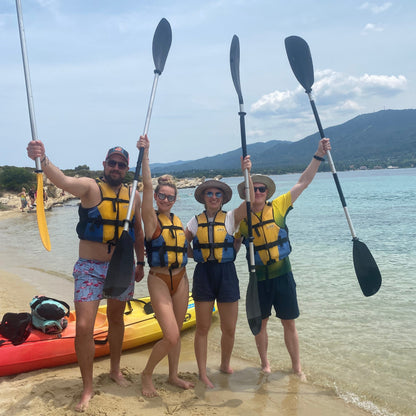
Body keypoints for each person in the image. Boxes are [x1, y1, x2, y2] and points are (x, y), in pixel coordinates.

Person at [27, 140, 145, 412]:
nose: (116, 167)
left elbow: (138, 232)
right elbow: (63, 180)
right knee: (83, 327)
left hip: (122, 265)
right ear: (104, 165)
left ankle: (115, 370)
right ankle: (88, 387)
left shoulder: (133, 195)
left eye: (121, 164)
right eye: (112, 162)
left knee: (116, 318)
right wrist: (43, 159)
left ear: (127, 168)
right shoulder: (90, 187)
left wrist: (141, 263)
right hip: (90, 267)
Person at [235, 138, 331, 379]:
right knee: (262, 324)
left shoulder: (278, 206)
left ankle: (296, 367)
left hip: (283, 275)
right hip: (259, 280)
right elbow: (232, 246)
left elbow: (304, 181)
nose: (257, 192)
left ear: (267, 193)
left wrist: (318, 154)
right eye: (253, 189)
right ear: (247, 192)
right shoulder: (241, 220)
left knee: (289, 323)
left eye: (261, 189)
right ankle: (265, 364)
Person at [185, 156, 253, 388]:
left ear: (223, 198)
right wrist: (195, 255)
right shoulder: (194, 223)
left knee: (229, 327)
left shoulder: (232, 218)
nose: (213, 197)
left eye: (218, 194)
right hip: (204, 275)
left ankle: (225, 364)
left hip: (227, 274)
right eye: (209, 194)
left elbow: (251, 201)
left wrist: (247, 173)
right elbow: (181, 245)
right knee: (202, 327)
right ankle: (202, 372)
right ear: (203, 198)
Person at [137, 135, 194, 397]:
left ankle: (172, 375)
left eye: (170, 197)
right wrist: (146, 153)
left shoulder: (177, 220)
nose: (165, 200)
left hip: (181, 279)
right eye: (162, 196)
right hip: (159, 280)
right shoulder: (151, 219)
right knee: (170, 336)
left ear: (175, 199)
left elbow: (183, 248)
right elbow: (146, 185)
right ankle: (146, 374)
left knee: (177, 333)